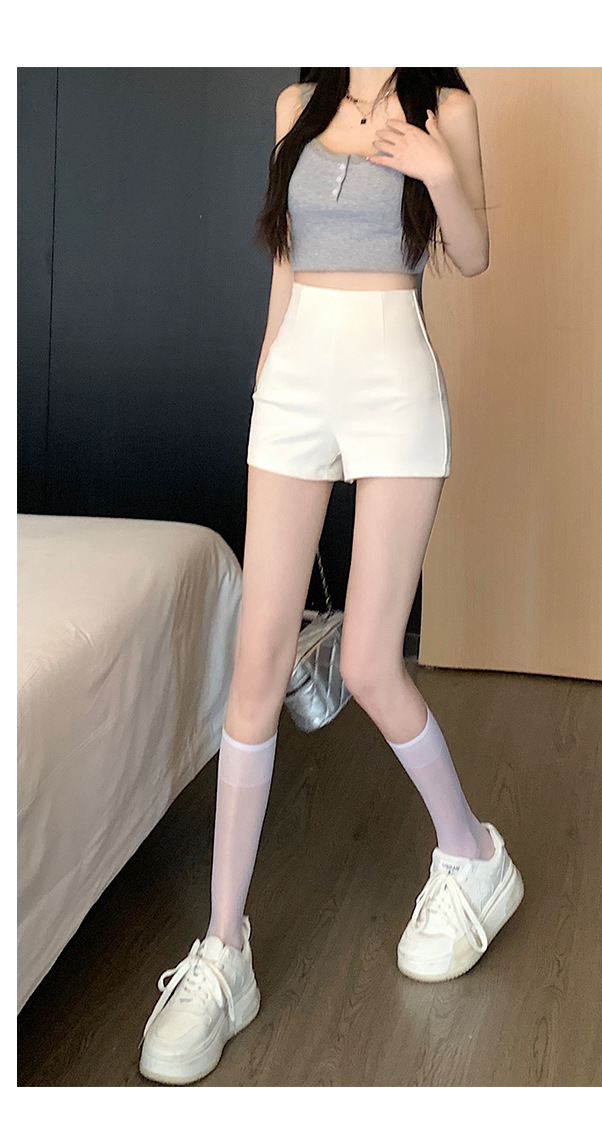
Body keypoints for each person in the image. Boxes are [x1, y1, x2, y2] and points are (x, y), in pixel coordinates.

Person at [139, 67, 524, 1086]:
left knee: (368, 664)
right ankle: (223, 952)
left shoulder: (446, 108)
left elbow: (473, 254)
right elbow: (286, 251)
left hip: (394, 376)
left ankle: (474, 857)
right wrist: (268, 370)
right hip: (297, 379)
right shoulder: (296, 105)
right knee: (254, 666)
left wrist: (440, 172)